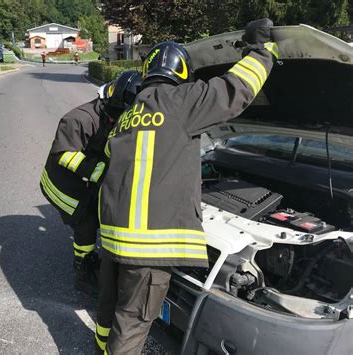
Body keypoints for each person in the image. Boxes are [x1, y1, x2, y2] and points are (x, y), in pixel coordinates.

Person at [95, 18, 279, 354]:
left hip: (113, 237)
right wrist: (261, 49)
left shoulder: (128, 115)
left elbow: (114, 156)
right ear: (182, 74)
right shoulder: (181, 101)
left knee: (112, 308)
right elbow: (235, 90)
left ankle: (101, 347)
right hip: (149, 247)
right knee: (134, 320)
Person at [39, 70, 142, 296]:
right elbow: (63, 155)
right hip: (61, 185)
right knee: (86, 221)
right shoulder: (79, 119)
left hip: (85, 181)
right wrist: (102, 173)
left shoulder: (116, 115)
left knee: (100, 211)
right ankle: (82, 269)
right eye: (116, 117)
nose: (117, 121)